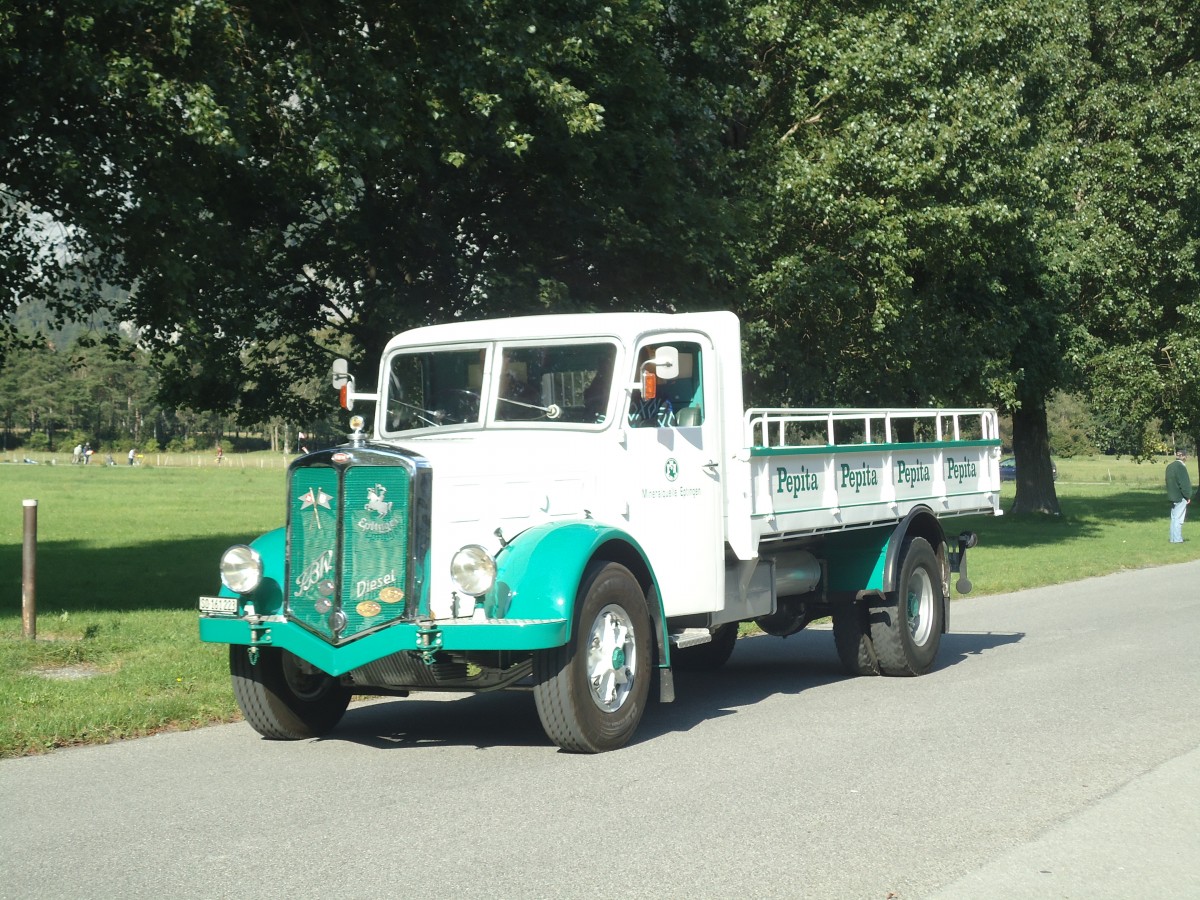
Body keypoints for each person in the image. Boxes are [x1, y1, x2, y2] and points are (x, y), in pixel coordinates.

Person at [1166, 448, 1193, 543]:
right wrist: (1188, 496)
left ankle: (1173, 538)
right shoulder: (1181, 467)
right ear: (1184, 456)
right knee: (1179, 518)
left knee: (1174, 518)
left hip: (1171, 495)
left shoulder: (1169, 466)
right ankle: (1177, 539)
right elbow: (1184, 484)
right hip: (1180, 496)